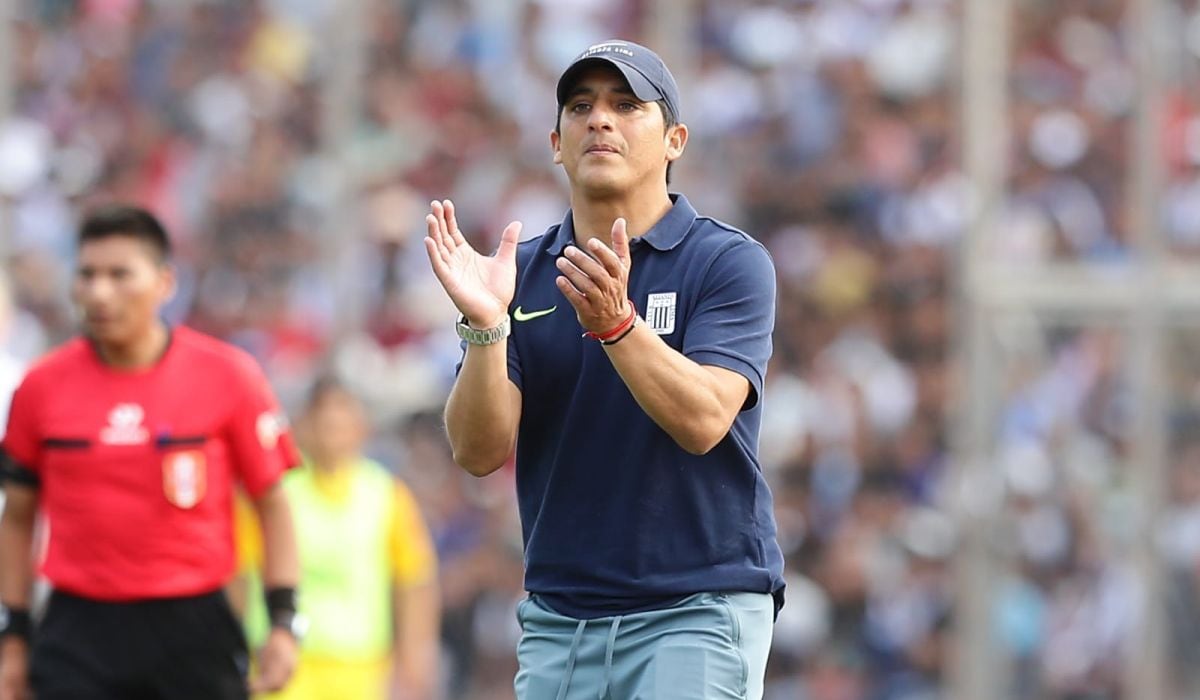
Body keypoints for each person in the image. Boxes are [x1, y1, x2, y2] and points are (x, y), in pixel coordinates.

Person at [423, 39, 784, 699]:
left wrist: (617, 326)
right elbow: (477, 450)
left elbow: (704, 420)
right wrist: (484, 326)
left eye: (626, 105)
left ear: (675, 139)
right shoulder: (522, 275)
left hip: (695, 609)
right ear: (556, 143)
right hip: (560, 620)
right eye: (581, 106)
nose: (599, 120)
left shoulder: (725, 263)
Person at [0, 205, 304, 700]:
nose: (100, 292)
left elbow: (272, 503)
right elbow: (17, 519)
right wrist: (12, 639)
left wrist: (284, 623)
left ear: (165, 282)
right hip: (78, 629)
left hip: (193, 627)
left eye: (120, 275)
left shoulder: (229, 377)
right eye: (88, 275)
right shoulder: (40, 388)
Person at [235, 375, 440, 700]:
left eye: (342, 421)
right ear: (303, 425)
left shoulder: (386, 495)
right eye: (323, 421)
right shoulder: (275, 495)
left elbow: (414, 581)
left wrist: (414, 659)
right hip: (284, 663)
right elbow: (239, 574)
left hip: (360, 665)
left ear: (362, 427)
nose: (332, 431)